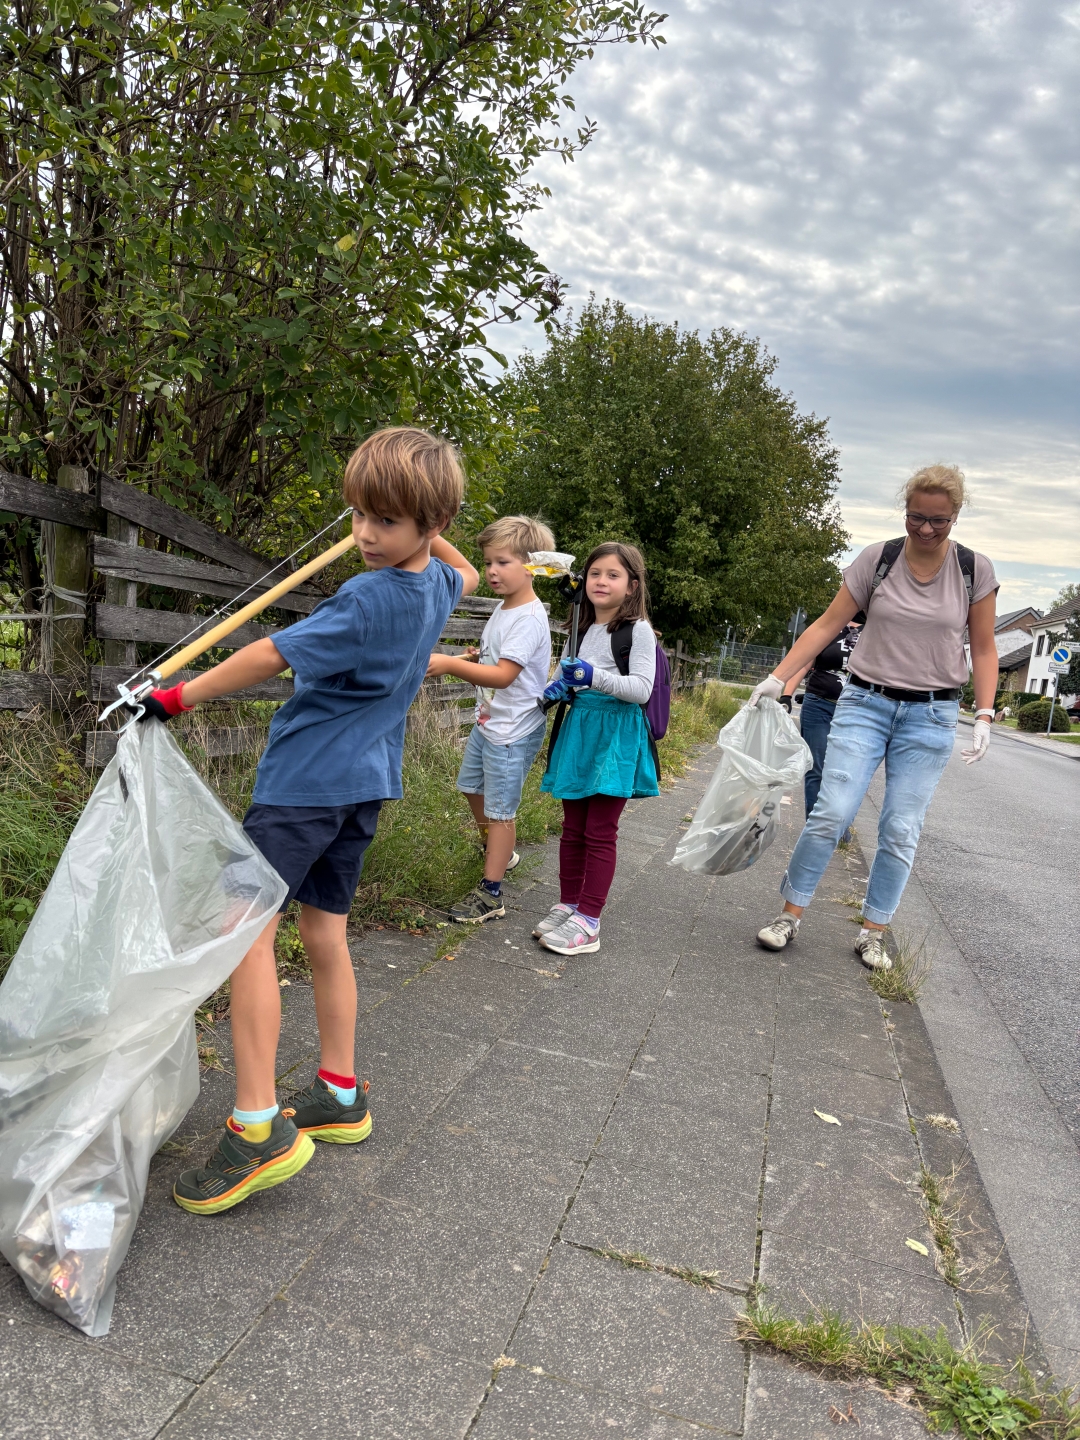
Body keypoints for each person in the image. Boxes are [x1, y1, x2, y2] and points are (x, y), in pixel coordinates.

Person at [139, 427, 479, 1212]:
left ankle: (256, 1127)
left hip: (304, 788)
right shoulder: (437, 585)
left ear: (430, 523)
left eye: (385, 520)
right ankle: (339, 1091)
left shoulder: (370, 596)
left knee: (243, 932)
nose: (364, 534)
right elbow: (461, 567)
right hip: (364, 787)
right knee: (324, 932)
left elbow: (270, 655)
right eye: (359, 513)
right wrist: (424, 519)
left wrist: (176, 697)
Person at [750, 464, 997, 971]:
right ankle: (789, 915)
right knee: (832, 811)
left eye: (938, 521)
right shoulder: (878, 559)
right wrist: (779, 677)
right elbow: (827, 624)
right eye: (916, 517)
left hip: (931, 713)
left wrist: (986, 713)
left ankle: (874, 932)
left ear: (955, 516)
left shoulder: (973, 570)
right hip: (866, 702)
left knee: (901, 827)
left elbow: (985, 648)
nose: (925, 529)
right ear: (905, 511)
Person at [533, 542, 660, 956]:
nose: (601, 581)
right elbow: (563, 676)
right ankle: (569, 904)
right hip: (580, 731)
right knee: (572, 828)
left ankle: (589, 921)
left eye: (613, 574)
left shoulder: (637, 631)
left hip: (616, 736)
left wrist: (593, 677)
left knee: (600, 831)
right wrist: (554, 689)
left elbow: (640, 690)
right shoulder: (580, 628)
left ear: (632, 586)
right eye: (595, 573)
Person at [427, 516, 555, 923]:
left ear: (532, 566)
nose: (492, 571)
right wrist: (474, 659)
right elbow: (495, 662)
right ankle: (502, 852)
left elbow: (503, 676)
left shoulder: (528, 618)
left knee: (500, 811)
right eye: (487, 563)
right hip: (490, 723)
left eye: (503, 562)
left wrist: (451, 664)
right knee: (470, 787)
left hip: (513, 731)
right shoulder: (504, 608)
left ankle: (491, 893)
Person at [781, 617, 863, 837]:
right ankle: (815, 830)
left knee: (847, 772)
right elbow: (804, 662)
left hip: (856, 711)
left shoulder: (875, 629)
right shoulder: (829, 625)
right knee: (816, 768)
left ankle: (839, 825)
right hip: (818, 705)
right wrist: (787, 694)